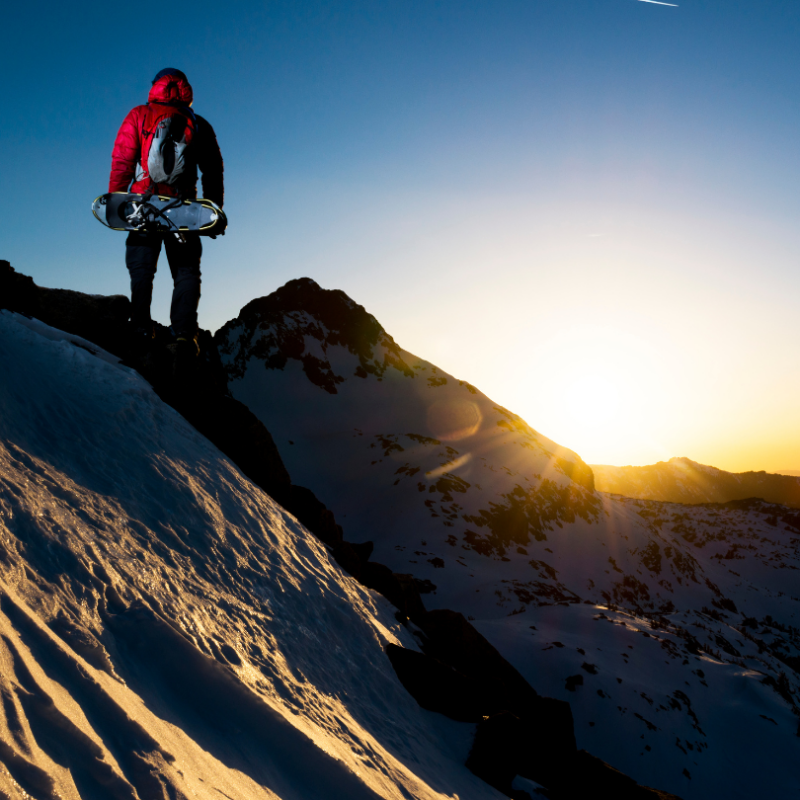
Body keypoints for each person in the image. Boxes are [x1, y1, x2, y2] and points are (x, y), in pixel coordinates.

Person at [109, 68, 224, 355]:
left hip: (143, 205)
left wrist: (116, 199)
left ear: (155, 87)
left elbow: (123, 158)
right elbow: (213, 169)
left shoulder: (138, 115)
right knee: (186, 272)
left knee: (142, 269)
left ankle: (139, 327)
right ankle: (184, 335)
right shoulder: (199, 124)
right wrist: (212, 209)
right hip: (183, 209)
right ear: (186, 89)